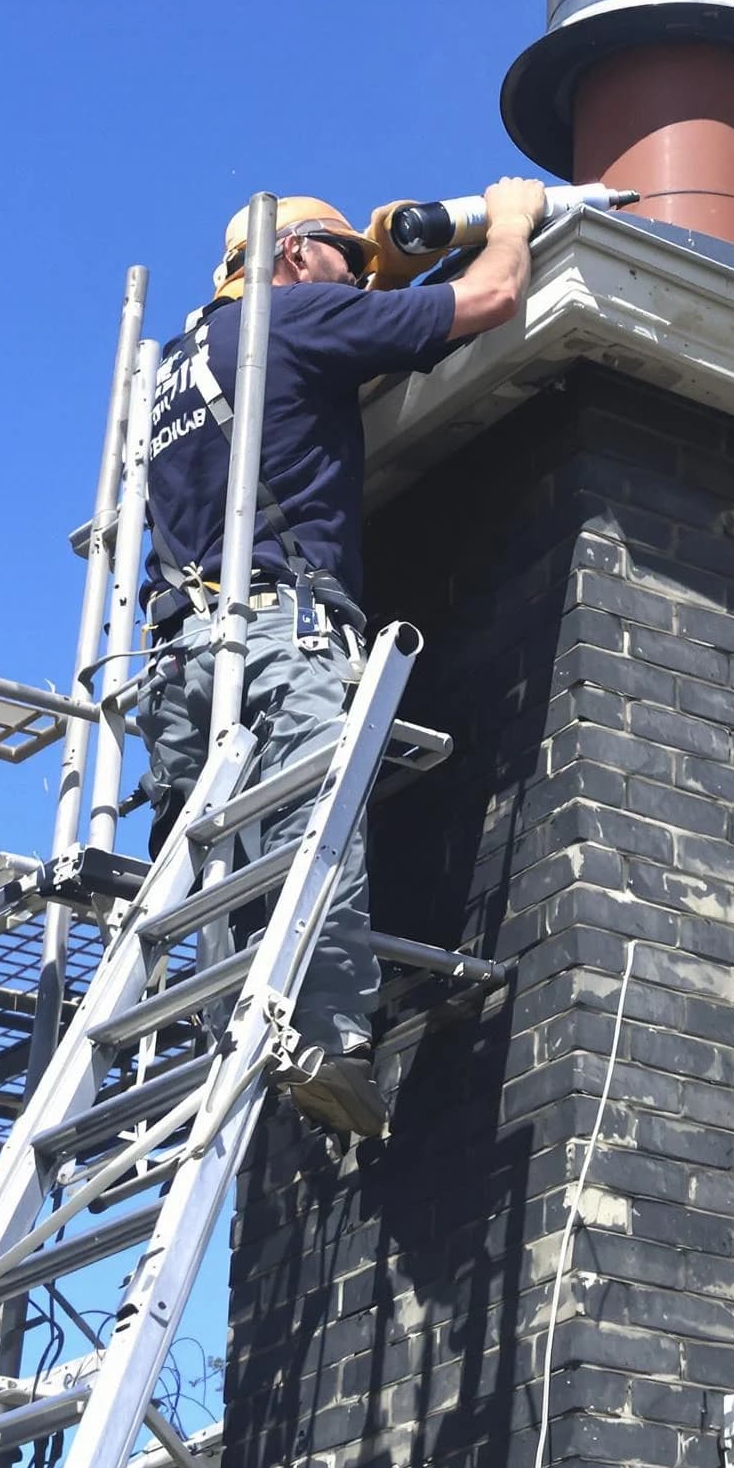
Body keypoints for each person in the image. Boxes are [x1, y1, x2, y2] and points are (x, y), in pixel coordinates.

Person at [135, 178, 547, 1136]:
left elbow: (315, 362)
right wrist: (515, 220)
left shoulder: (181, 362)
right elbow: (488, 302)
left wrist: (371, 266)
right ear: (289, 258)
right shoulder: (294, 317)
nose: (358, 281)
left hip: (177, 661)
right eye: (341, 259)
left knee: (211, 866)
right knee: (309, 825)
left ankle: (211, 1032)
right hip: (279, 630)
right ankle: (319, 1037)